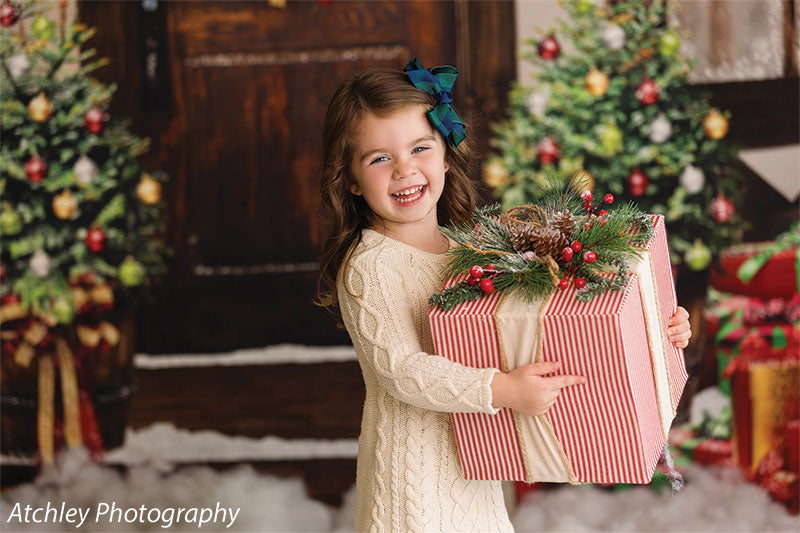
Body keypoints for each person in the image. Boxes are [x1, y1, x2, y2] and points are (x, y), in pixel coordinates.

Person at [315, 59, 692, 532]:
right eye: (379, 158)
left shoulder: (466, 248)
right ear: (349, 179)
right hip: (413, 485)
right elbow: (402, 372)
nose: (404, 170)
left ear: (446, 154)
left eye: (419, 148)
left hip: (476, 467)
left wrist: (653, 327)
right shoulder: (371, 266)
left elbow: (542, 321)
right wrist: (503, 389)